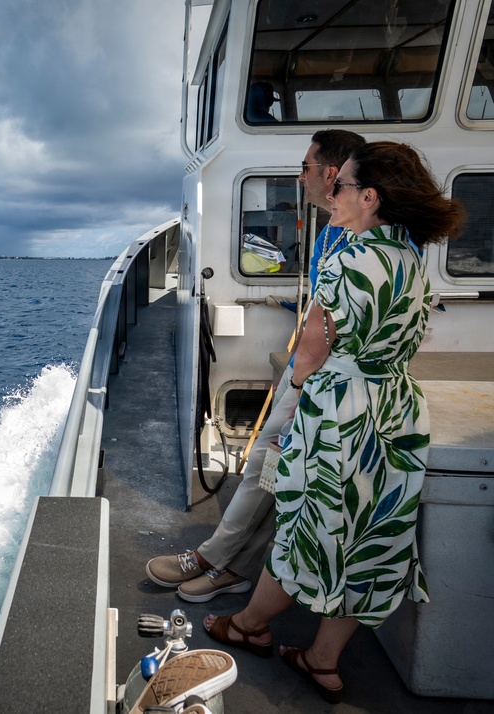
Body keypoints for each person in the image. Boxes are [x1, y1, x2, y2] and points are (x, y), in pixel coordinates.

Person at [202, 141, 466, 703]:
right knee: (370, 536)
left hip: (339, 412)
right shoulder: (410, 258)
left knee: (307, 530)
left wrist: (295, 391)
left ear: (368, 198)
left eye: (340, 185)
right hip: (396, 409)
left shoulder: (348, 257)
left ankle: (249, 625)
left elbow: (312, 350)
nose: (331, 192)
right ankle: (322, 661)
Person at [146, 130, 366, 603]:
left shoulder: (362, 245)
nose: (300, 176)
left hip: (323, 382)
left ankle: (216, 561)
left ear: (331, 174)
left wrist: (302, 383)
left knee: (267, 464)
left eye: (306, 167)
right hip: (310, 373)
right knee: (266, 469)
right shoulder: (333, 231)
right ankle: (229, 563)